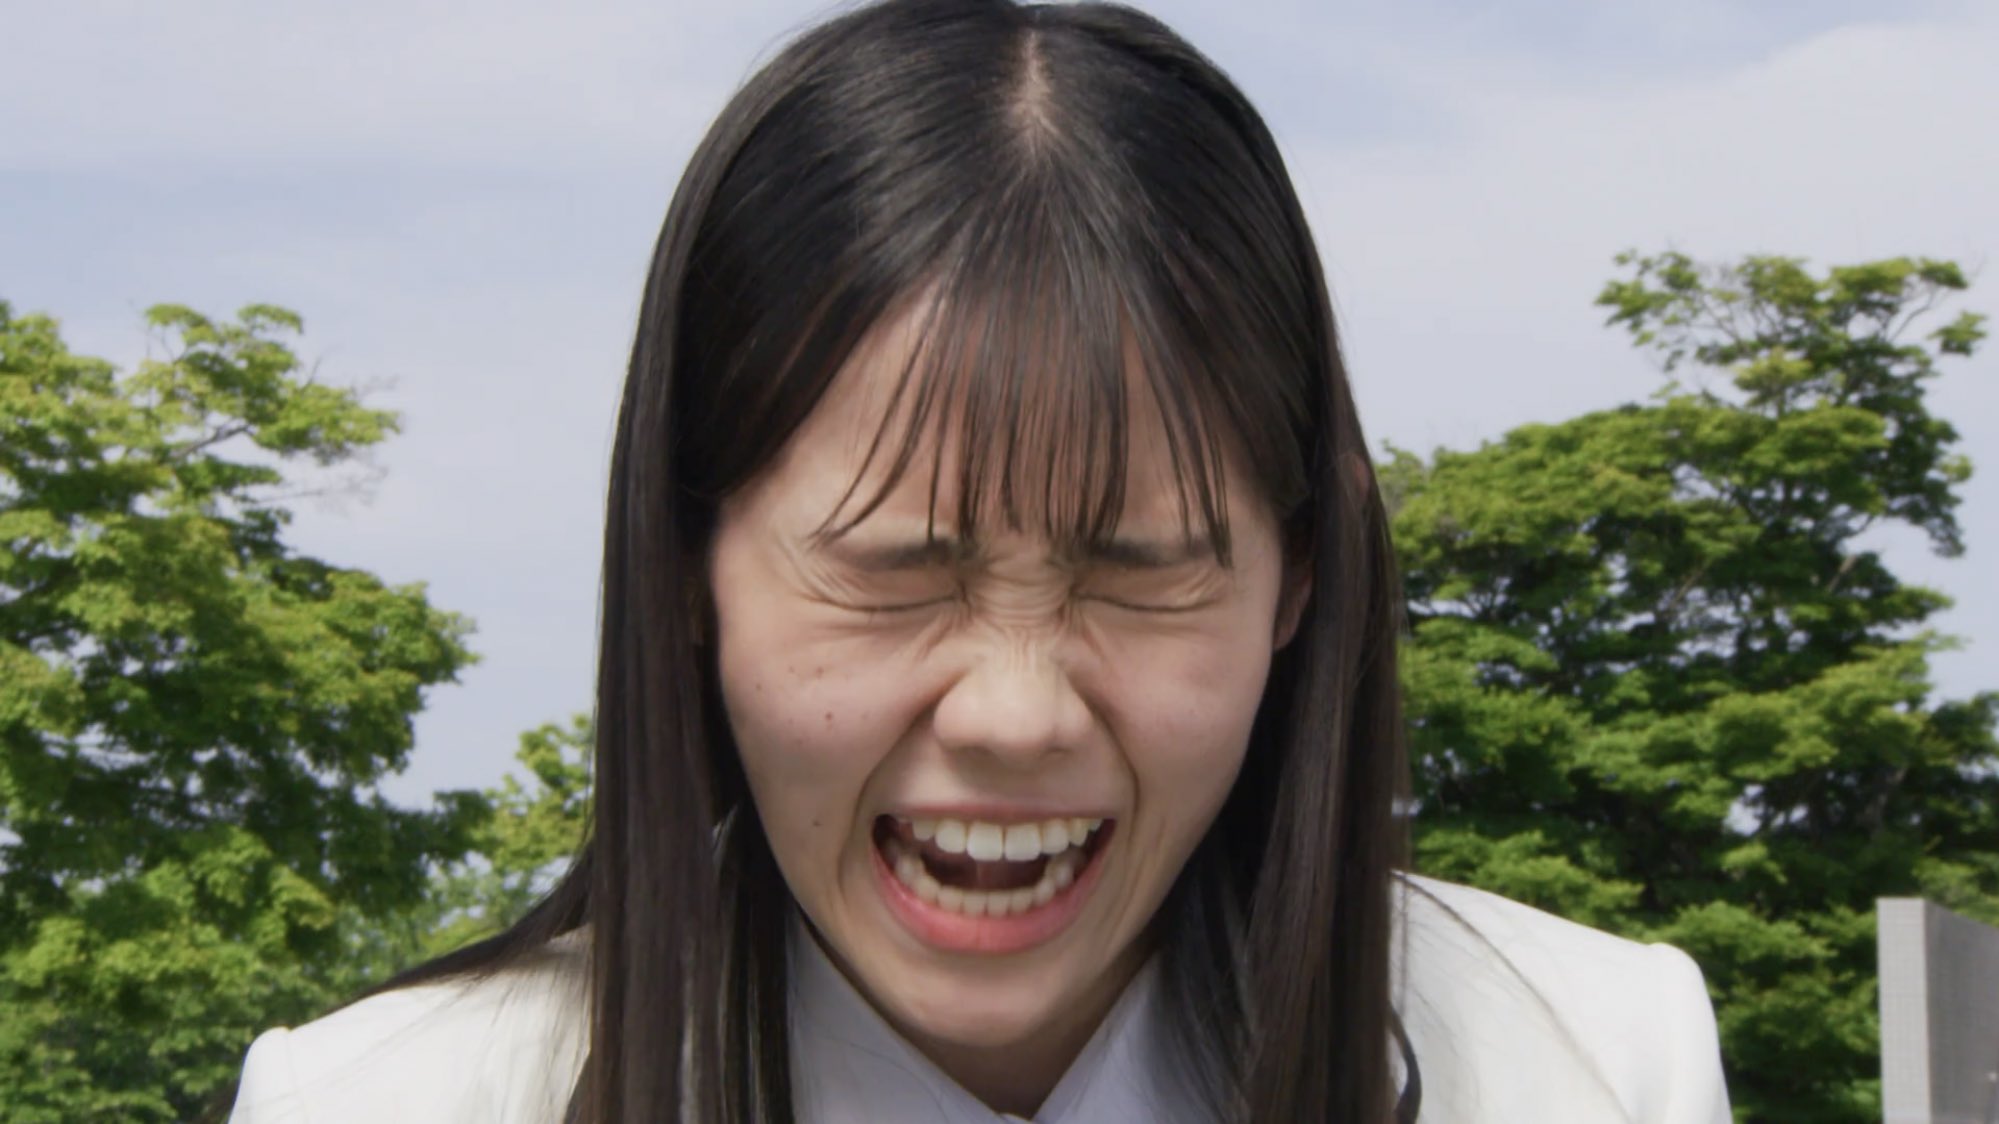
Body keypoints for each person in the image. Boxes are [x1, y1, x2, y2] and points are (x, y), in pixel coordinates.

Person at [227, 0, 1731, 1120]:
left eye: (1139, 571)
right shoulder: (381, 1105)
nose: (1017, 714)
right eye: (893, 574)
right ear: (686, 563)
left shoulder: (1587, 1069)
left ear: (1301, 578)